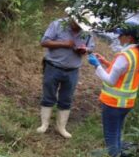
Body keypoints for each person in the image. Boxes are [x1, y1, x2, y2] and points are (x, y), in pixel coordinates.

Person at [88, 23, 139, 157]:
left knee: (111, 137)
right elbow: (126, 72)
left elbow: (110, 80)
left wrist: (97, 66)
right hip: (126, 103)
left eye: (121, 35)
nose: (118, 37)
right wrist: (105, 63)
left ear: (130, 37)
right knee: (117, 133)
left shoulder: (124, 55)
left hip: (113, 104)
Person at [37, 9, 95, 138]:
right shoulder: (57, 24)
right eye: (77, 23)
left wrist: (84, 50)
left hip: (72, 70)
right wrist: (63, 44)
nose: (78, 27)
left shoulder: (87, 32)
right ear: (72, 18)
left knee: (67, 98)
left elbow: (91, 47)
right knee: (48, 95)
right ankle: (44, 124)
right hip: (53, 66)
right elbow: (44, 42)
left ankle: (61, 127)